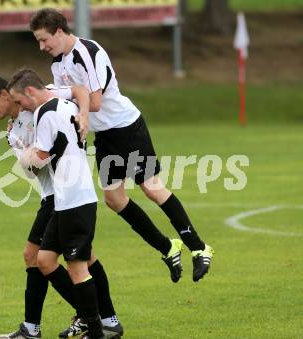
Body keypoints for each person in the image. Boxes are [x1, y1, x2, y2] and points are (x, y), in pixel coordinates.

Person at [29, 8, 214, 283]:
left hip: (127, 127)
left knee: (152, 189)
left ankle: (199, 248)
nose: (42, 46)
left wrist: (72, 106)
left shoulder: (87, 53)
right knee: (114, 199)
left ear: (59, 31)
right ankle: (168, 247)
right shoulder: (57, 64)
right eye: (38, 42)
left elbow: (94, 103)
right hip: (105, 135)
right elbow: (63, 104)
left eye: (44, 40)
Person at [0, 75, 122, 339]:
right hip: (53, 194)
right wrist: (21, 149)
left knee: (45, 257)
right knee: (75, 257)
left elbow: (78, 90)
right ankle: (99, 319)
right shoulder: (14, 129)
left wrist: (85, 115)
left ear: (7, 95)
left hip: (63, 195)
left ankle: (90, 319)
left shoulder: (44, 102)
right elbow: (32, 171)